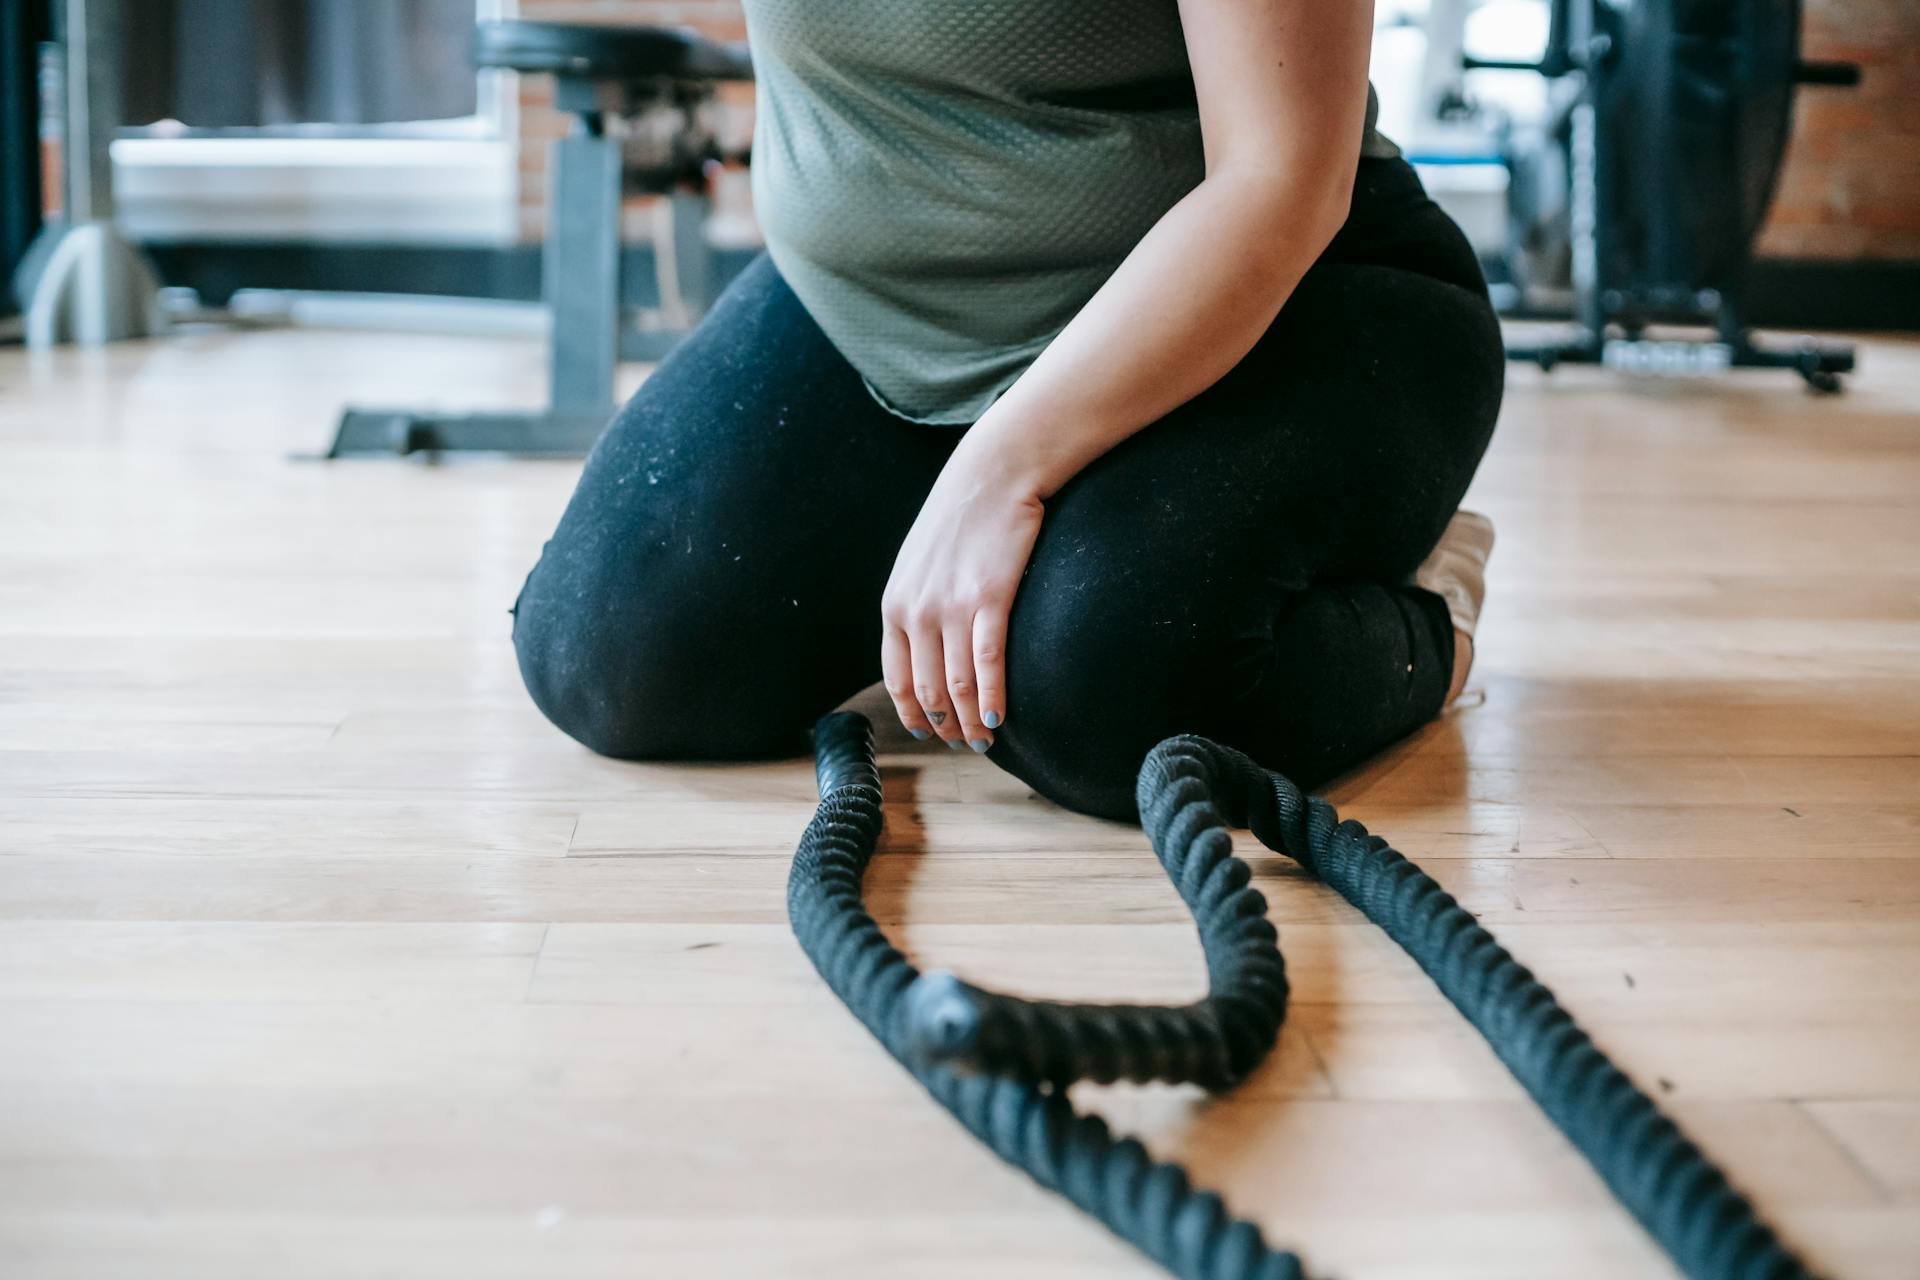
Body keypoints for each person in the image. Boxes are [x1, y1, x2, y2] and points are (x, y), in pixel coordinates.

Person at [509, 0, 1505, 823]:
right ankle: (996, 566)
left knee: (1104, 693)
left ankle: (1427, 609)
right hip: (878, 322)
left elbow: (1283, 177)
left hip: (1271, 310)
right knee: (611, 655)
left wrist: (1000, 471)